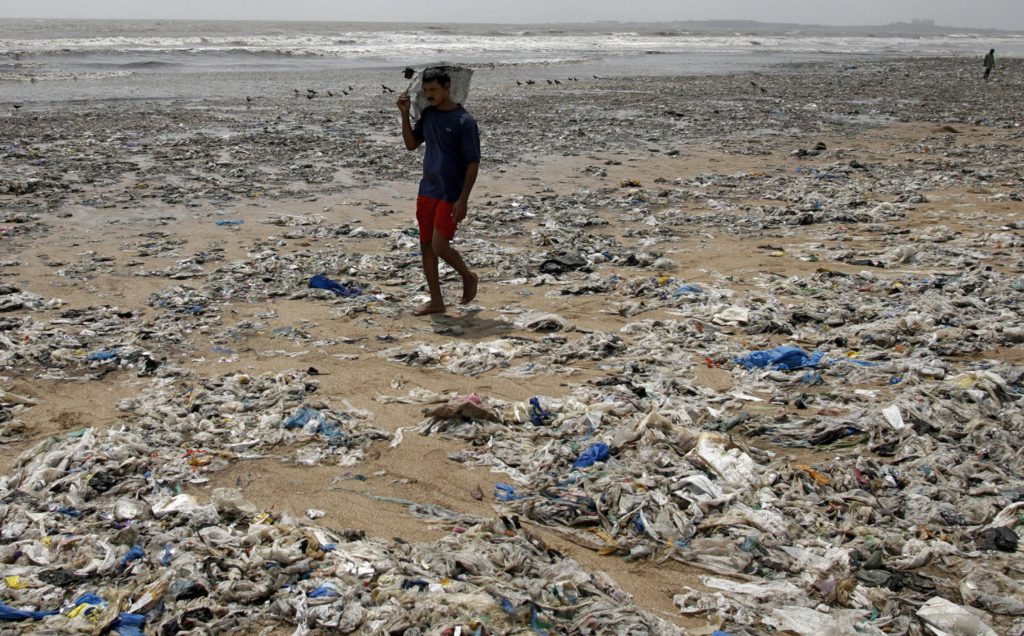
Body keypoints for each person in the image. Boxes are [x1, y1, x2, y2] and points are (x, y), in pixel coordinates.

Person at [396, 67, 480, 316]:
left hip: (450, 193)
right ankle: (436, 300)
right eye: (426, 90)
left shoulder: (464, 122)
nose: (429, 94)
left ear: (447, 88)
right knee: (425, 246)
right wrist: (403, 115)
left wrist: (463, 200)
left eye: (434, 90)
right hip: (428, 189)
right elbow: (412, 145)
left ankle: (468, 276)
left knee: (440, 246)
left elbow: (473, 163)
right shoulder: (429, 116)